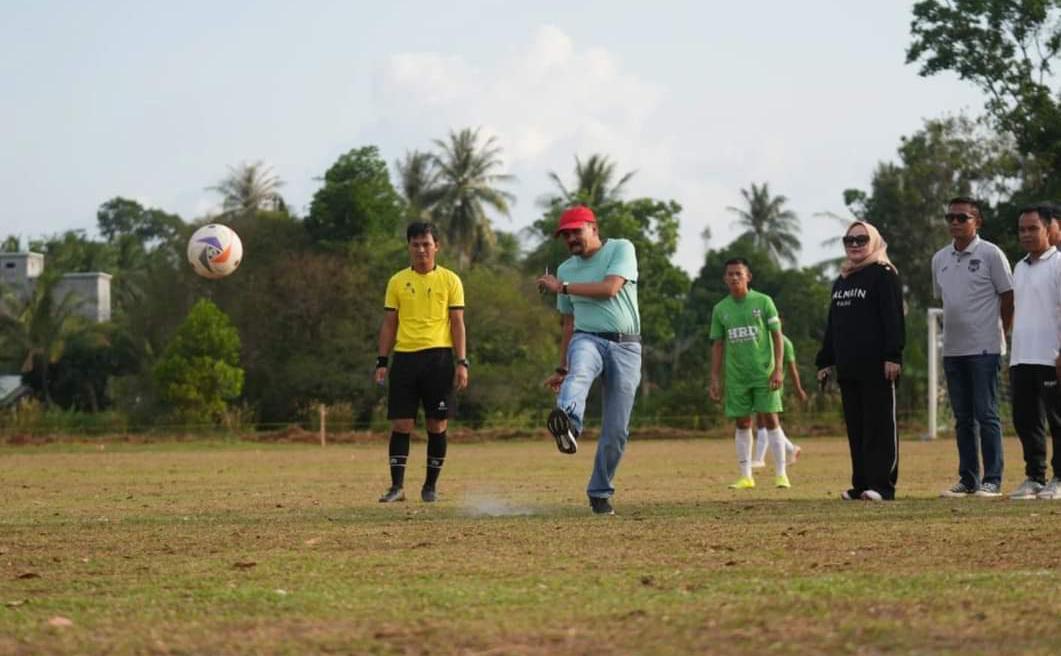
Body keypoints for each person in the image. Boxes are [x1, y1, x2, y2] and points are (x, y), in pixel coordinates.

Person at [537, 206, 641, 516]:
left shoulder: (621, 249)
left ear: (593, 228)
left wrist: (562, 287)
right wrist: (561, 368)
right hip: (587, 338)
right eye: (565, 235)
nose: (570, 238)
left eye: (575, 231)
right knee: (579, 372)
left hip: (626, 347)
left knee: (616, 430)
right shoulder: (567, 268)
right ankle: (568, 423)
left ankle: (599, 491)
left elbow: (610, 289)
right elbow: (568, 324)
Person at [374, 222, 468, 503]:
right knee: (401, 424)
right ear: (408, 247)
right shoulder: (397, 281)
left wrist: (462, 362)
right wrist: (382, 361)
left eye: (426, 244)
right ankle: (396, 487)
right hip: (404, 359)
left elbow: (458, 324)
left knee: (437, 425)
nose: (421, 249)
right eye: (415, 244)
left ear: (436, 246)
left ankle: (430, 487)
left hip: (439, 359)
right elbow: (389, 325)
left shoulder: (451, 280)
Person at [816, 221, 905, 501]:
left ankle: (882, 486)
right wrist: (825, 360)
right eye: (849, 240)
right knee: (857, 429)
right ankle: (862, 484)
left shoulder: (884, 274)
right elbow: (834, 324)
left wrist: (893, 355)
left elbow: (893, 318)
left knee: (880, 427)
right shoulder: (842, 280)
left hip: (878, 366)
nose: (855, 245)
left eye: (861, 239)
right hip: (849, 366)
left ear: (874, 241)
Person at [931, 197, 1014, 498]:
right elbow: (945, 300)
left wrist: (1000, 331)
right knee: (962, 418)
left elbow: (1008, 296)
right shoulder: (939, 258)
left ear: (977, 221)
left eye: (962, 217)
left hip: (985, 349)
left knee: (986, 414)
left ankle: (993, 479)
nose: (955, 222)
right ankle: (968, 479)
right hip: (952, 349)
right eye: (950, 217)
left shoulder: (991, 254)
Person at [709, 258, 788, 489]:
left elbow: (777, 335)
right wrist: (715, 377)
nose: (734, 278)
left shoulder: (763, 302)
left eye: (738, 274)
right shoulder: (720, 309)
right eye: (730, 274)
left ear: (748, 277)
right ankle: (746, 476)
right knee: (742, 422)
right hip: (736, 377)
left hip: (764, 373)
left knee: (771, 419)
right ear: (725, 279)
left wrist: (778, 369)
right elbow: (717, 345)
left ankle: (781, 474)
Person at [1007, 204, 1061, 500]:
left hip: (1051, 356)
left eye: (1033, 229)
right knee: (1026, 420)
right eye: (1022, 229)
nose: (1026, 234)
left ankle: (1060, 478)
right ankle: (1034, 477)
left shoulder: (1059, 264)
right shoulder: (1019, 266)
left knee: (1057, 420)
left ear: (1049, 229)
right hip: (1022, 358)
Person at [751, 325, 807, 469]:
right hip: (759, 383)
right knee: (765, 420)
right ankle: (791, 448)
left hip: (773, 386)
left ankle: (759, 459)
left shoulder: (785, 343)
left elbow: (792, 369)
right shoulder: (761, 340)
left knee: (764, 420)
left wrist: (798, 389)